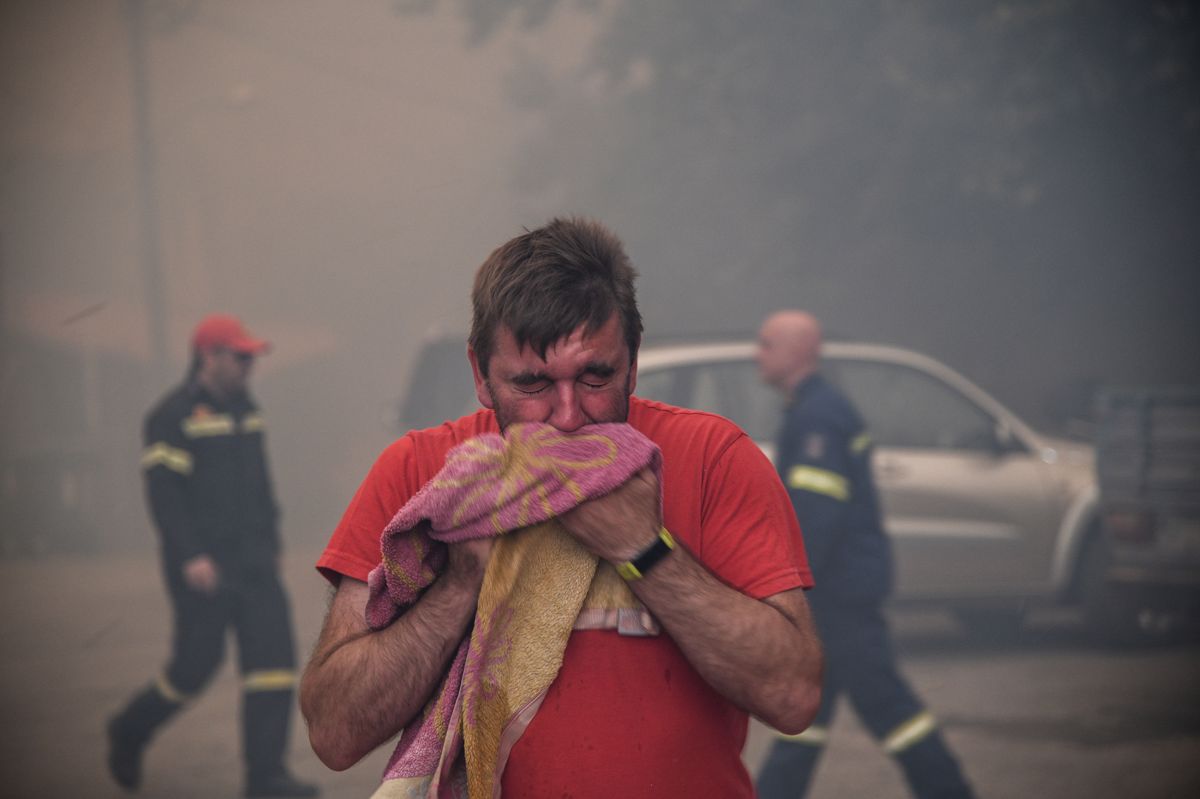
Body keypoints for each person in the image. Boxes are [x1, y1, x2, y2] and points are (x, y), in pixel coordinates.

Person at [300, 217, 824, 797]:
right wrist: (458, 587)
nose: (569, 416)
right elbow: (334, 731)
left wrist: (645, 550)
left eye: (596, 376)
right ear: (480, 374)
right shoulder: (423, 475)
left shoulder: (713, 458)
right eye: (532, 384)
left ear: (633, 359)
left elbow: (793, 695)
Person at [754, 310, 975, 799]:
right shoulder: (813, 408)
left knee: (886, 707)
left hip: (840, 596)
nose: (757, 353)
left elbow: (818, 516)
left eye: (767, 344)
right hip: (837, 591)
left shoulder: (818, 417)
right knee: (809, 711)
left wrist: (789, 586)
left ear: (798, 350)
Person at [106, 314, 318, 798]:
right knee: (193, 669)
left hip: (255, 564)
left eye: (250, 359)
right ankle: (128, 730)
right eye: (240, 358)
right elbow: (164, 497)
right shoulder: (170, 417)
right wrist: (191, 555)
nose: (248, 367)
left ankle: (265, 778)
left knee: (273, 666)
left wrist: (271, 545)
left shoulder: (248, 408)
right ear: (210, 357)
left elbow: (260, 488)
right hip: (203, 568)